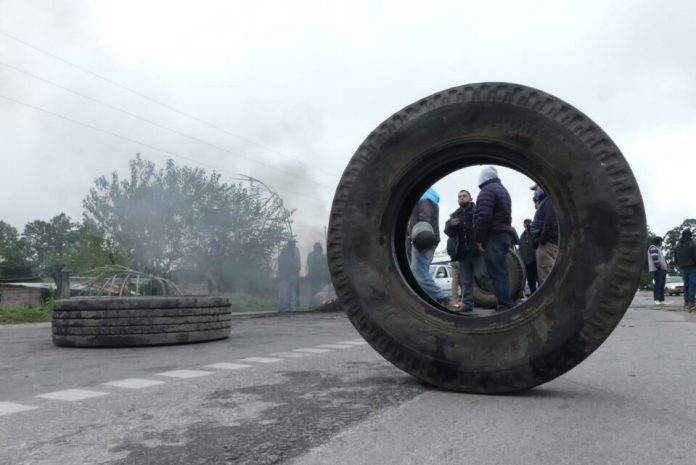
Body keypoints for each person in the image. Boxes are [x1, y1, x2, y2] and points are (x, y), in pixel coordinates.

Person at [474, 167, 514, 310]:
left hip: (493, 237)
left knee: (496, 273)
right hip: (504, 235)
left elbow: (484, 217)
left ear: (483, 177)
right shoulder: (502, 190)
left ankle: (505, 305)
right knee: (501, 272)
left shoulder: (487, 191)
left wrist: (479, 239)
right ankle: (506, 302)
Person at [445, 189, 488, 312]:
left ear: (470, 198)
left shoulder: (477, 211)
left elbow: (485, 225)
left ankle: (500, 300)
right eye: (460, 196)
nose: (462, 198)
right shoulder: (454, 215)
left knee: (484, 277)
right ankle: (467, 305)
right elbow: (447, 232)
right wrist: (451, 225)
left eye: (464, 196)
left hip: (477, 251)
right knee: (466, 281)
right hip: (463, 253)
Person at [408, 187, 450, 306]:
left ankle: (440, 296)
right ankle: (428, 299)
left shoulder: (424, 199)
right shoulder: (431, 200)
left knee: (418, 273)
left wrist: (416, 231)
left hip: (422, 239)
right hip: (428, 239)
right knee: (422, 271)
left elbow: (424, 218)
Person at [530, 184, 559, 284]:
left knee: (548, 279)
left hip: (546, 245)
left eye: (536, 188)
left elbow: (550, 222)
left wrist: (541, 240)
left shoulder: (549, 200)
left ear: (543, 187)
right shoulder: (545, 202)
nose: (535, 191)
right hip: (545, 244)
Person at [675, 229, 696, 311]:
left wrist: (679, 264)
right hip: (693, 267)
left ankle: (686, 301)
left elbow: (675, 257)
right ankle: (691, 301)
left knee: (686, 284)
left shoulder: (677, 245)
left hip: (682, 267)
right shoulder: (693, 244)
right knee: (692, 285)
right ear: (690, 235)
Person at [276, 239, 301, 311]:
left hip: (285, 275)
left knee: (285, 291)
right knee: (287, 291)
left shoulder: (286, 250)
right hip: (288, 275)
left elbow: (280, 261)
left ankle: (284, 306)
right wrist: (295, 271)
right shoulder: (293, 251)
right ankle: (285, 306)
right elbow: (296, 263)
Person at [519, 219, 539, 295]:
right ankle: (533, 295)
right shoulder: (522, 236)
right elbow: (520, 248)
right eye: (525, 223)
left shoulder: (534, 232)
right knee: (530, 281)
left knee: (539, 279)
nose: (527, 224)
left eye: (528, 223)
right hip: (527, 262)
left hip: (535, 260)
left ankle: (539, 294)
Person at [306, 242, 329, 307]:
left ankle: (313, 303)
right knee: (316, 290)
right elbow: (325, 266)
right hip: (316, 276)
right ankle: (315, 303)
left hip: (314, 276)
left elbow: (325, 265)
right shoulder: (321, 256)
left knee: (315, 290)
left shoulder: (311, 255)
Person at [647, 236, 668, 305]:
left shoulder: (658, 249)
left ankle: (661, 299)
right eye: (661, 241)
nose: (662, 243)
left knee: (661, 285)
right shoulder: (653, 248)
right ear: (659, 242)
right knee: (658, 284)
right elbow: (655, 258)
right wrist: (658, 267)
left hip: (661, 269)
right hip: (657, 269)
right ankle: (656, 299)